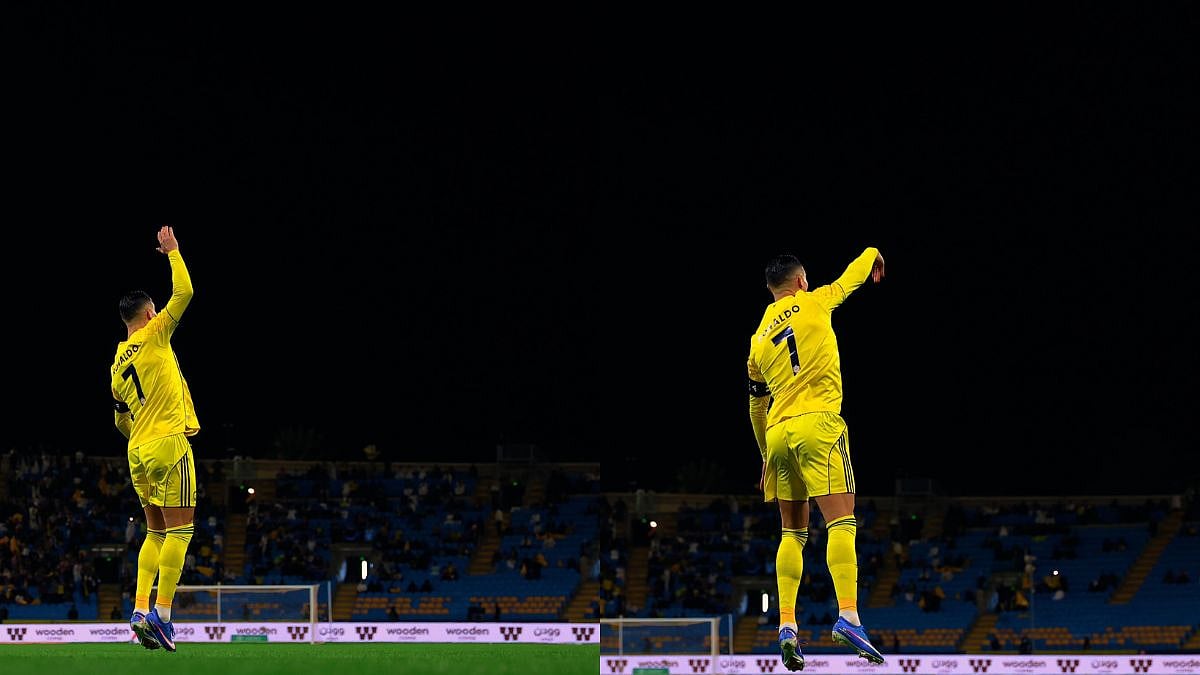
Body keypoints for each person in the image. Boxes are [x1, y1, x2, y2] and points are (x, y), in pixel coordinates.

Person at [746, 247, 886, 671]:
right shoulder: (815, 300)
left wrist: (765, 454)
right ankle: (849, 616)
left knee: (792, 533)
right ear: (801, 281)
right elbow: (852, 277)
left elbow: (756, 405)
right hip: (819, 424)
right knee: (842, 522)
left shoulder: (757, 340)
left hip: (778, 434)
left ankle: (787, 625)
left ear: (771, 289)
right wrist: (874, 253)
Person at [110, 226, 199, 653]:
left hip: (137, 451)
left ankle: (139, 608)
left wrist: (141, 436)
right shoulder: (156, 332)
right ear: (148, 314)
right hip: (167, 442)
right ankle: (162, 615)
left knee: (155, 531)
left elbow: (120, 421)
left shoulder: (115, 365)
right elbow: (185, 292)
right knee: (181, 531)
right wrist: (173, 252)